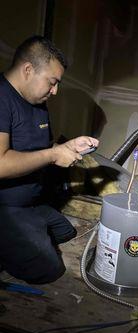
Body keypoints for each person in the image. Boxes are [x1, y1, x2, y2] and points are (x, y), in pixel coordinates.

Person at [0, 35, 99, 284]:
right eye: (52, 82)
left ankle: (21, 238)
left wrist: (67, 146)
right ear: (27, 69)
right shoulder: (2, 99)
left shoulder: (37, 101)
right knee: (48, 270)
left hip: (31, 202)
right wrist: (54, 155)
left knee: (66, 231)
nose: (55, 91)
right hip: (6, 207)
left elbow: (41, 148)